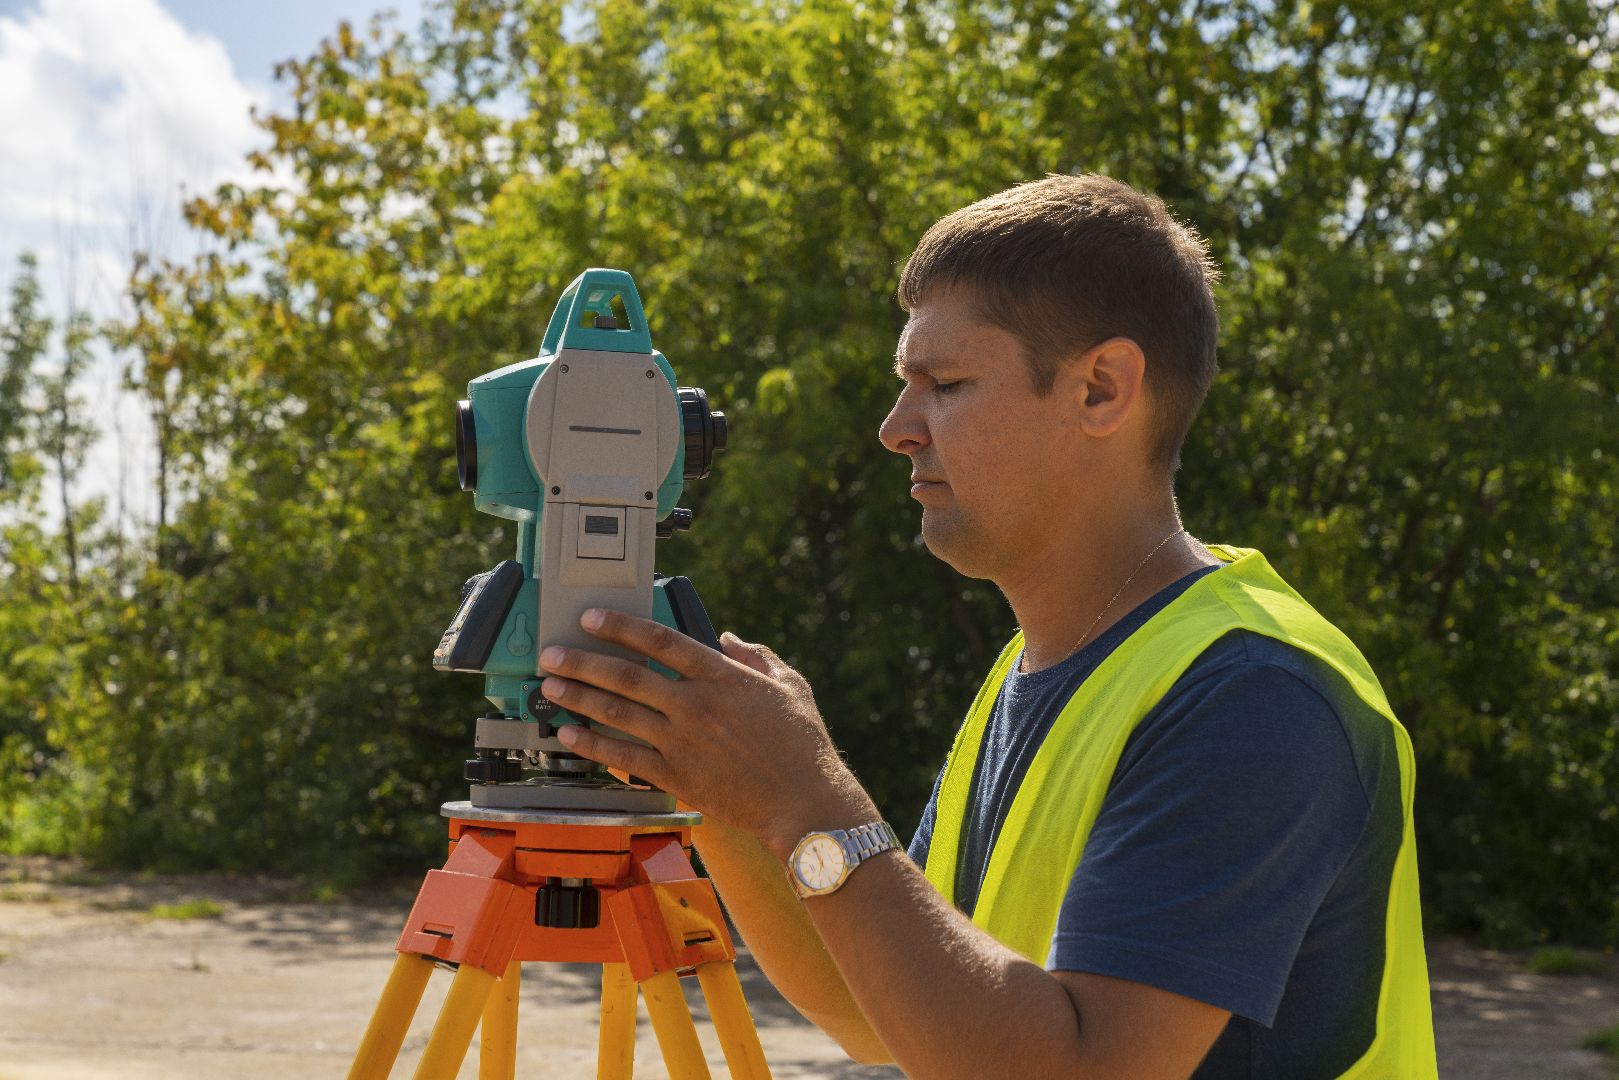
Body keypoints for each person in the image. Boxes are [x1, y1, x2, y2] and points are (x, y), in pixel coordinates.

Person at [534, 174, 1439, 1079]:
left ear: (1100, 389)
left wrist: (803, 799)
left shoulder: (1251, 692)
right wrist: (720, 785)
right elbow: (887, 1015)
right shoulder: (1037, 668)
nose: (897, 428)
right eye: (905, 385)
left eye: (948, 383)